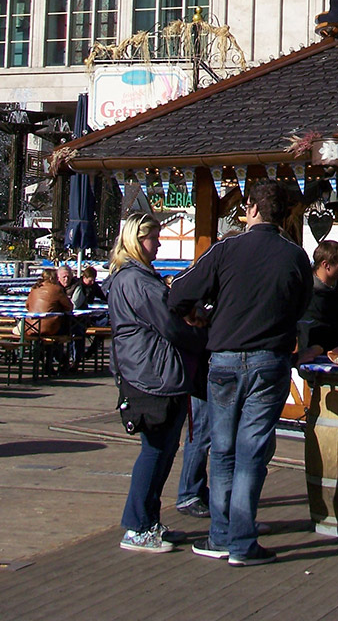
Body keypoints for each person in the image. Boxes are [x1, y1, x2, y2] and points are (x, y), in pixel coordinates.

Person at [169, 178, 312, 567]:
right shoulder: (295, 256)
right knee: (252, 453)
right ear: (284, 215)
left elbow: (178, 292)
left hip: (225, 358)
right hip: (269, 358)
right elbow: (300, 308)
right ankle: (242, 540)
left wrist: (195, 315)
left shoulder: (225, 250)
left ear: (250, 208)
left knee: (223, 449)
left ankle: (221, 534)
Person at [107, 212, 206, 554]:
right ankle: (137, 525)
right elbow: (170, 325)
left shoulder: (132, 277)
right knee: (155, 450)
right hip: (153, 376)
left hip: (151, 372)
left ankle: (147, 519)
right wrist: (201, 336)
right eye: (154, 238)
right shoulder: (137, 281)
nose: (159, 243)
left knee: (162, 450)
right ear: (138, 238)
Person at [297, 239, 338, 361]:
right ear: (326, 265)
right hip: (316, 359)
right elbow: (311, 329)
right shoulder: (307, 293)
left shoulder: (335, 289)